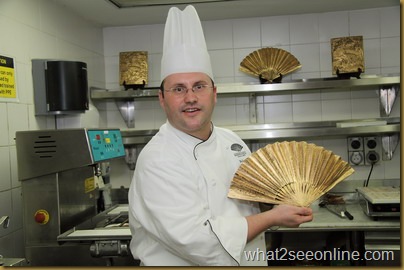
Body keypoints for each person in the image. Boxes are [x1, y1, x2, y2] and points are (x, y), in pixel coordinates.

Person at [128, 5, 313, 266]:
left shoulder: (231, 141)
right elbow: (199, 243)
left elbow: (252, 201)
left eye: (199, 86)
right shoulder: (158, 160)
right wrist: (273, 218)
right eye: (178, 88)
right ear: (162, 98)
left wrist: (280, 201)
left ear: (214, 93)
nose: (190, 97)